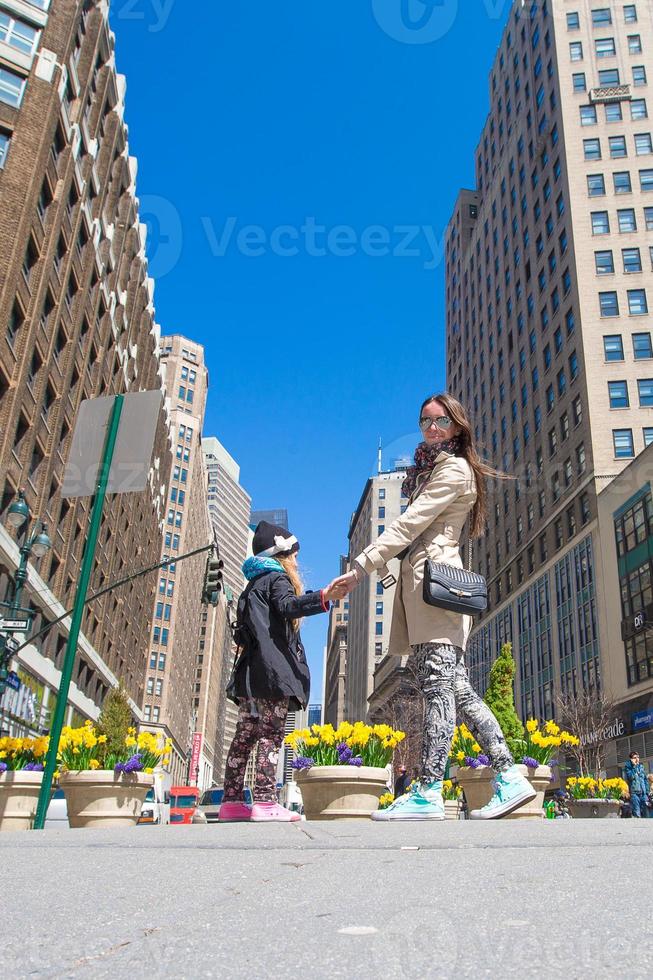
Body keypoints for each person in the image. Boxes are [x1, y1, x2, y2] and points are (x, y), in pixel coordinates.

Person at [333, 392, 536, 821]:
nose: (430, 429)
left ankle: (428, 790)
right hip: (424, 588)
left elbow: (411, 524)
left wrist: (361, 566)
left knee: (439, 688)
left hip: (437, 590)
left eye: (440, 421)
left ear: (457, 426)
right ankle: (509, 776)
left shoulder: (454, 471)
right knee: (455, 690)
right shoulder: (435, 470)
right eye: (424, 421)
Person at [219, 521, 344, 823]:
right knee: (270, 735)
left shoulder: (252, 586)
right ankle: (264, 800)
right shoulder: (277, 580)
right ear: (282, 555)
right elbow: (289, 607)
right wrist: (323, 596)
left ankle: (232, 801)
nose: (297, 562)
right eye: (294, 556)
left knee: (244, 735)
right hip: (272, 673)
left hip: (250, 675)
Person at [624, 751, 650, 818]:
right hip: (634, 794)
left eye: (638, 757)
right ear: (631, 759)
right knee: (637, 813)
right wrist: (634, 767)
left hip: (643, 794)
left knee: (646, 813)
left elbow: (645, 780)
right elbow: (630, 777)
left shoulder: (641, 767)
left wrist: (647, 792)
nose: (637, 759)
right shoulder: (628, 767)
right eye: (635, 758)